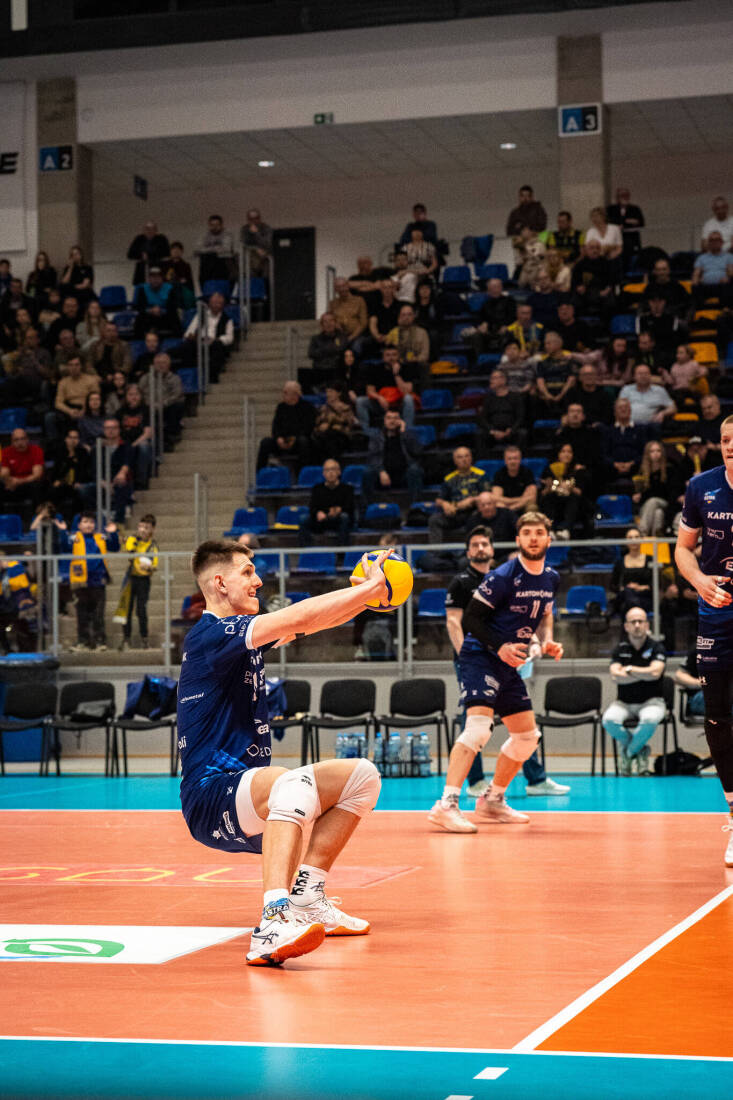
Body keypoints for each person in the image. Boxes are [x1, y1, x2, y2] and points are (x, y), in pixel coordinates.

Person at [178, 539, 387, 965]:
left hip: (244, 791)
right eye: (247, 572)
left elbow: (315, 622)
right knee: (292, 783)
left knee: (362, 777)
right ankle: (272, 922)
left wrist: (366, 596)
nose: (258, 580)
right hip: (211, 795)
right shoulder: (213, 634)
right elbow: (299, 614)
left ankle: (307, 899)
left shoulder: (240, 638)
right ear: (219, 583)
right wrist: (369, 590)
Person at [428, 511, 563, 832]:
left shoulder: (551, 578)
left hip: (508, 663)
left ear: (548, 539)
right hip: (481, 656)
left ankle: (492, 800)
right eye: (527, 533)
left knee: (527, 738)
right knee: (478, 728)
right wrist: (500, 646)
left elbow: (545, 613)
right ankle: (446, 805)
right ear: (518, 540)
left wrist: (546, 640)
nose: (533, 538)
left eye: (539, 533)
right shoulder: (502, 576)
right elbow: (471, 619)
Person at [675, 414, 733, 864]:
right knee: (716, 715)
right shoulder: (702, 486)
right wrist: (698, 581)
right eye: (726, 440)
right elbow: (683, 548)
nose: (731, 446)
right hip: (716, 610)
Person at [602, 607, 666, 776]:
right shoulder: (619, 649)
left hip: (652, 702)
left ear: (647, 625)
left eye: (640, 621)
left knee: (650, 719)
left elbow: (656, 673)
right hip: (623, 703)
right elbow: (615, 676)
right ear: (626, 626)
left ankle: (628, 753)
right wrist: (644, 674)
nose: (637, 625)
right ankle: (641, 750)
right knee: (608, 720)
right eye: (633, 622)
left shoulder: (657, 647)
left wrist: (629, 670)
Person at [68, 510, 120, 652]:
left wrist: (114, 533)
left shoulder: (100, 537)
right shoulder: (73, 538)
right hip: (80, 581)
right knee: (82, 614)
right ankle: (83, 642)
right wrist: (61, 531)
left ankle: (100, 641)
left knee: (98, 614)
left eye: (91, 522)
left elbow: (115, 547)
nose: (89, 525)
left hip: (98, 580)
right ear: (79, 525)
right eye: (85, 522)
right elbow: (61, 547)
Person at [428, 447, 490, 544]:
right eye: (460, 457)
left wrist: (472, 499)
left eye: (466, 456)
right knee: (434, 520)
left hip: (474, 512)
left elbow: (488, 495)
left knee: (476, 517)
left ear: (471, 458)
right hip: (455, 513)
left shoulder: (481, 475)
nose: (464, 459)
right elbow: (438, 500)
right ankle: (435, 551)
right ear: (455, 461)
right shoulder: (449, 479)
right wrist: (444, 504)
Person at [116, 513, 158, 651]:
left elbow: (155, 564)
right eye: (141, 527)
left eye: (146, 528)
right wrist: (130, 541)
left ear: (152, 529)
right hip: (131, 578)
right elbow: (129, 548)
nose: (143, 530)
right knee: (126, 609)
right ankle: (126, 638)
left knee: (141, 610)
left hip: (143, 580)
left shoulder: (152, 546)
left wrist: (149, 567)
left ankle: (144, 638)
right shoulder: (133, 539)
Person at [364, 408, 423, 502]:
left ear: (400, 421)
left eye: (395, 418)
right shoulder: (377, 437)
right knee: (368, 472)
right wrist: (381, 471)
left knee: (415, 470)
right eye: (389, 418)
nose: (392, 421)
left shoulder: (408, 435)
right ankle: (365, 508)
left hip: (404, 476)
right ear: (384, 421)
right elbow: (373, 457)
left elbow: (417, 452)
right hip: (383, 477)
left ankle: (416, 507)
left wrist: (404, 432)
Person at [256, 381, 316, 471]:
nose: (283, 395)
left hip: (297, 442)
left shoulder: (307, 407)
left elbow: (308, 428)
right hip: (281, 441)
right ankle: (260, 473)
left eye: (285, 392)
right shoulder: (281, 407)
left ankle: (302, 473)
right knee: (265, 442)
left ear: (295, 394)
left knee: (304, 442)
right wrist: (278, 438)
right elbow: (275, 427)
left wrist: (293, 439)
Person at [539, 442, 590, 539]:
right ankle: (550, 530)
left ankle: (566, 531)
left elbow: (580, 493)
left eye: (569, 452)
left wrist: (570, 488)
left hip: (574, 509)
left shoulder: (579, 470)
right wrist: (548, 487)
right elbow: (543, 493)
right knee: (549, 498)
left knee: (573, 497)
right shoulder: (550, 469)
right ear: (558, 454)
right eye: (563, 451)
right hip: (555, 506)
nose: (566, 454)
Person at [181, 291, 233, 383]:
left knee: (218, 347)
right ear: (209, 303)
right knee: (186, 346)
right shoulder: (200, 316)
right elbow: (189, 331)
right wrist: (192, 336)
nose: (216, 305)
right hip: (198, 342)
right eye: (214, 302)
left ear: (223, 305)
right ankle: (191, 376)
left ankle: (212, 377)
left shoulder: (227, 319)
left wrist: (215, 340)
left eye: (219, 303)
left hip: (214, 343)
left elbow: (229, 338)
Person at [300, 459, 354, 545]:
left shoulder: (347, 489)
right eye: (327, 470)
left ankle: (342, 551)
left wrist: (338, 510)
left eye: (333, 469)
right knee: (303, 519)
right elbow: (312, 507)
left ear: (339, 472)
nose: (330, 472)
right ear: (323, 473)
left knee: (345, 517)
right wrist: (317, 513)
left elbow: (349, 507)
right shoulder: (317, 488)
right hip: (321, 521)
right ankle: (306, 550)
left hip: (338, 520)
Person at [139, 351, 185, 448]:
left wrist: (163, 404)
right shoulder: (146, 378)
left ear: (169, 364)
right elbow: (140, 392)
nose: (161, 365)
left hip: (167, 406)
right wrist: (151, 403)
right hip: (150, 406)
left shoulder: (175, 378)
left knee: (177, 406)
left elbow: (177, 394)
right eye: (158, 363)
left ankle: (171, 435)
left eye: (163, 363)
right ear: (154, 364)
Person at [0, 428, 45, 522]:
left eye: (22, 439)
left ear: (27, 439)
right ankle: (3, 521)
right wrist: (9, 481)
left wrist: (19, 481)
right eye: (16, 440)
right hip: (12, 486)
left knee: (38, 486)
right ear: (12, 442)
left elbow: (37, 475)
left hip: (28, 485)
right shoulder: (5, 452)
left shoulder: (36, 450)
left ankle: (37, 520)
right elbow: (4, 473)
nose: (20, 442)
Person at [633, 439, 673, 535]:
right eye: (652, 451)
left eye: (658, 451)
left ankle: (642, 532)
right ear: (647, 454)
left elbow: (668, 493)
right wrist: (636, 495)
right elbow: (639, 492)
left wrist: (645, 495)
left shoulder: (669, 469)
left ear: (662, 453)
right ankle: (656, 539)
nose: (655, 454)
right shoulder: (642, 470)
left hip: (664, 503)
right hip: (647, 507)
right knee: (658, 513)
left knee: (653, 501)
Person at [611, 527, 653, 617]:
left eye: (636, 537)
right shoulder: (619, 562)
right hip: (625, 596)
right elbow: (613, 585)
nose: (633, 540)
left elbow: (656, 584)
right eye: (630, 537)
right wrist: (623, 589)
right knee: (628, 595)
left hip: (644, 597)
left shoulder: (650, 560)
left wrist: (639, 587)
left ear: (641, 539)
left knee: (628, 604)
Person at [491, 444, 538, 519]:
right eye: (509, 459)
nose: (512, 461)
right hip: (505, 506)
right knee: (498, 505)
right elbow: (496, 498)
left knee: (532, 506)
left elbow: (532, 497)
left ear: (520, 459)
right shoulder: (499, 474)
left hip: (521, 505)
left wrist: (513, 507)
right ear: (505, 460)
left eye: (515, 458)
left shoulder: (527, 473)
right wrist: (521, 499)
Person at [132, 266, 180, 338]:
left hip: (164, 315)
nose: (155, 280)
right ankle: (139, 341)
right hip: (149, 316)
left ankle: (176, 340)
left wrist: (161, 310)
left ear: (162, 278)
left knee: (175, 318)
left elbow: (173, 306)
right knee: (139, 319)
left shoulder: (169, 288)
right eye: (153, 277)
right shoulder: (143, 289)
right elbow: (140, 306)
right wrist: (150, 310)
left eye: (158, 277)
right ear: (149, 279)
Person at [691, 231, 733, 307]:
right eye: (711, 240)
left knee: (730, 285)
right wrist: (696, 281)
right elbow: (696, 274)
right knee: (695, 287)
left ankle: (726, 310)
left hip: (722, 286)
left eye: (717, 240)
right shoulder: (702, 258)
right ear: (708, 243)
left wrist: (728, 278)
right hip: (705, 287)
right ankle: (698, 310)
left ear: (722, 242)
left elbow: (731, 272)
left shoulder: (729, 257)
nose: (714, 242)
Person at [606, 187, 645, 263]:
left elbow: (641, 222)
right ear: (617, 197)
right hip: (615, 239)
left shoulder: (635, 209)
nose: (624, 197)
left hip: (631, 239)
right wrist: (628, 221)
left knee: (631, 259)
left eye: (626, 195)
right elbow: (609, 221)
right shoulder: (611, 209)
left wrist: (624, 222)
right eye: (622, 195)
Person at [195, 214, 235, 286]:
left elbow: (226, 249)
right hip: (207, 270)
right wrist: (216, 248)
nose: (214, 227)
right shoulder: (204, 235)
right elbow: (199, 249)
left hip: (223, 268)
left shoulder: (227, 234)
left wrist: (208, 249)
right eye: (212, 225)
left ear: (221, 225)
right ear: (209, 225)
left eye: (217, 225)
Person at [127, 221, 171, 286]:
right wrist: (141, 255)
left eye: (152, 229)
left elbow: (167, 253)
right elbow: (130, 254)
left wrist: (149, 255)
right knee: (141, 288)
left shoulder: (162, 239)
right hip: (142, 269)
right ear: (144, 230)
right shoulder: (139, 239)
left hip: (158, 268)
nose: (149, 231)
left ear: (156, 230)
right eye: (147, 229)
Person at [240, 208, 272, 277]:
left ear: (259, 218)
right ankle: (249, 279)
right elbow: (244, 243)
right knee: (240, 257)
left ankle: (260, 279)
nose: (253, 221)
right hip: (250, 253)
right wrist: (256, 248)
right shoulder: (244, 229)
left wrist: (256, 233)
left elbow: (267, 243)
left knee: (261, 258)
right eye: (251, 219)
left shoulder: (266, 228)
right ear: (248, 220)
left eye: (256, 218)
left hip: (264, 253)